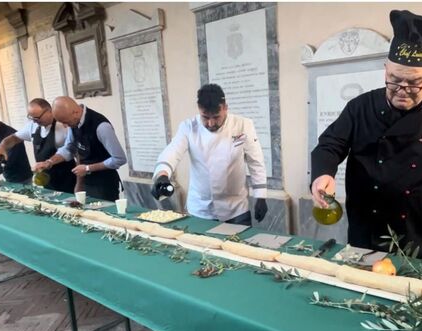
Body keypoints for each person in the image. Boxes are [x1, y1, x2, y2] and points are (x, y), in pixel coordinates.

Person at [310, 10, 422, 261]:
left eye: (414, 83)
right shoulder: (361, 107)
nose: (402, 90)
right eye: (394, 80)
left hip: (420, 234)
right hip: (365, 229)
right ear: (385, 69)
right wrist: (323, 173)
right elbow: (330, 144)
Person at [151, 84, 268, 225]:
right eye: (205, 117)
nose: (211, 123)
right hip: (200, 210)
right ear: (199, 110)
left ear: (225, 108)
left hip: (236, 209)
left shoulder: (243, 125)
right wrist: (162, 175)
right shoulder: (188, 127)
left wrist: (260, 196)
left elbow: (255, 161)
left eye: (216, 117)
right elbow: (172, 151)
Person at [33, 96, 127, 201]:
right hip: (86, 182)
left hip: (104, 184)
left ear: (75, 113)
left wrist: (88, 168)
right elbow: (69, 149)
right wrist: (49, 162)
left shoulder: (101, 126)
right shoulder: (73, 123)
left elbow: (119, 159)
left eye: (65, 121)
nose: (64, 126)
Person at [0, 98, 76, 193]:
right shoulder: (33, 126)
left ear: (49, 111)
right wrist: (2, 146)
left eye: (37, 118)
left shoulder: (64, 126)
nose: (35, 121)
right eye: (31, 117)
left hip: (66, 178)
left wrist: (48, 162)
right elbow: (14, 138)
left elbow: (70, 151)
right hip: (46, 179)